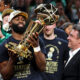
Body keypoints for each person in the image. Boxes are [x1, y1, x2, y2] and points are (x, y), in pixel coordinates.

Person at [0, 10, 46, 80]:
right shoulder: (4, 45)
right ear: (10, 23)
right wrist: (12, 60)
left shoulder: (36, 40)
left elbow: (42, 67)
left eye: (23, 19)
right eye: (17, 19)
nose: (21, 21)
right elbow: (5, 77)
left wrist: (36, 47)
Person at [35, 3, 69, 80]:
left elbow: (66, 65)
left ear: (54, 25)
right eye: (45, 24)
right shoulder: (37, 42)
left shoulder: (63, 43)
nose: (47, 27)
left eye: (50, 24)